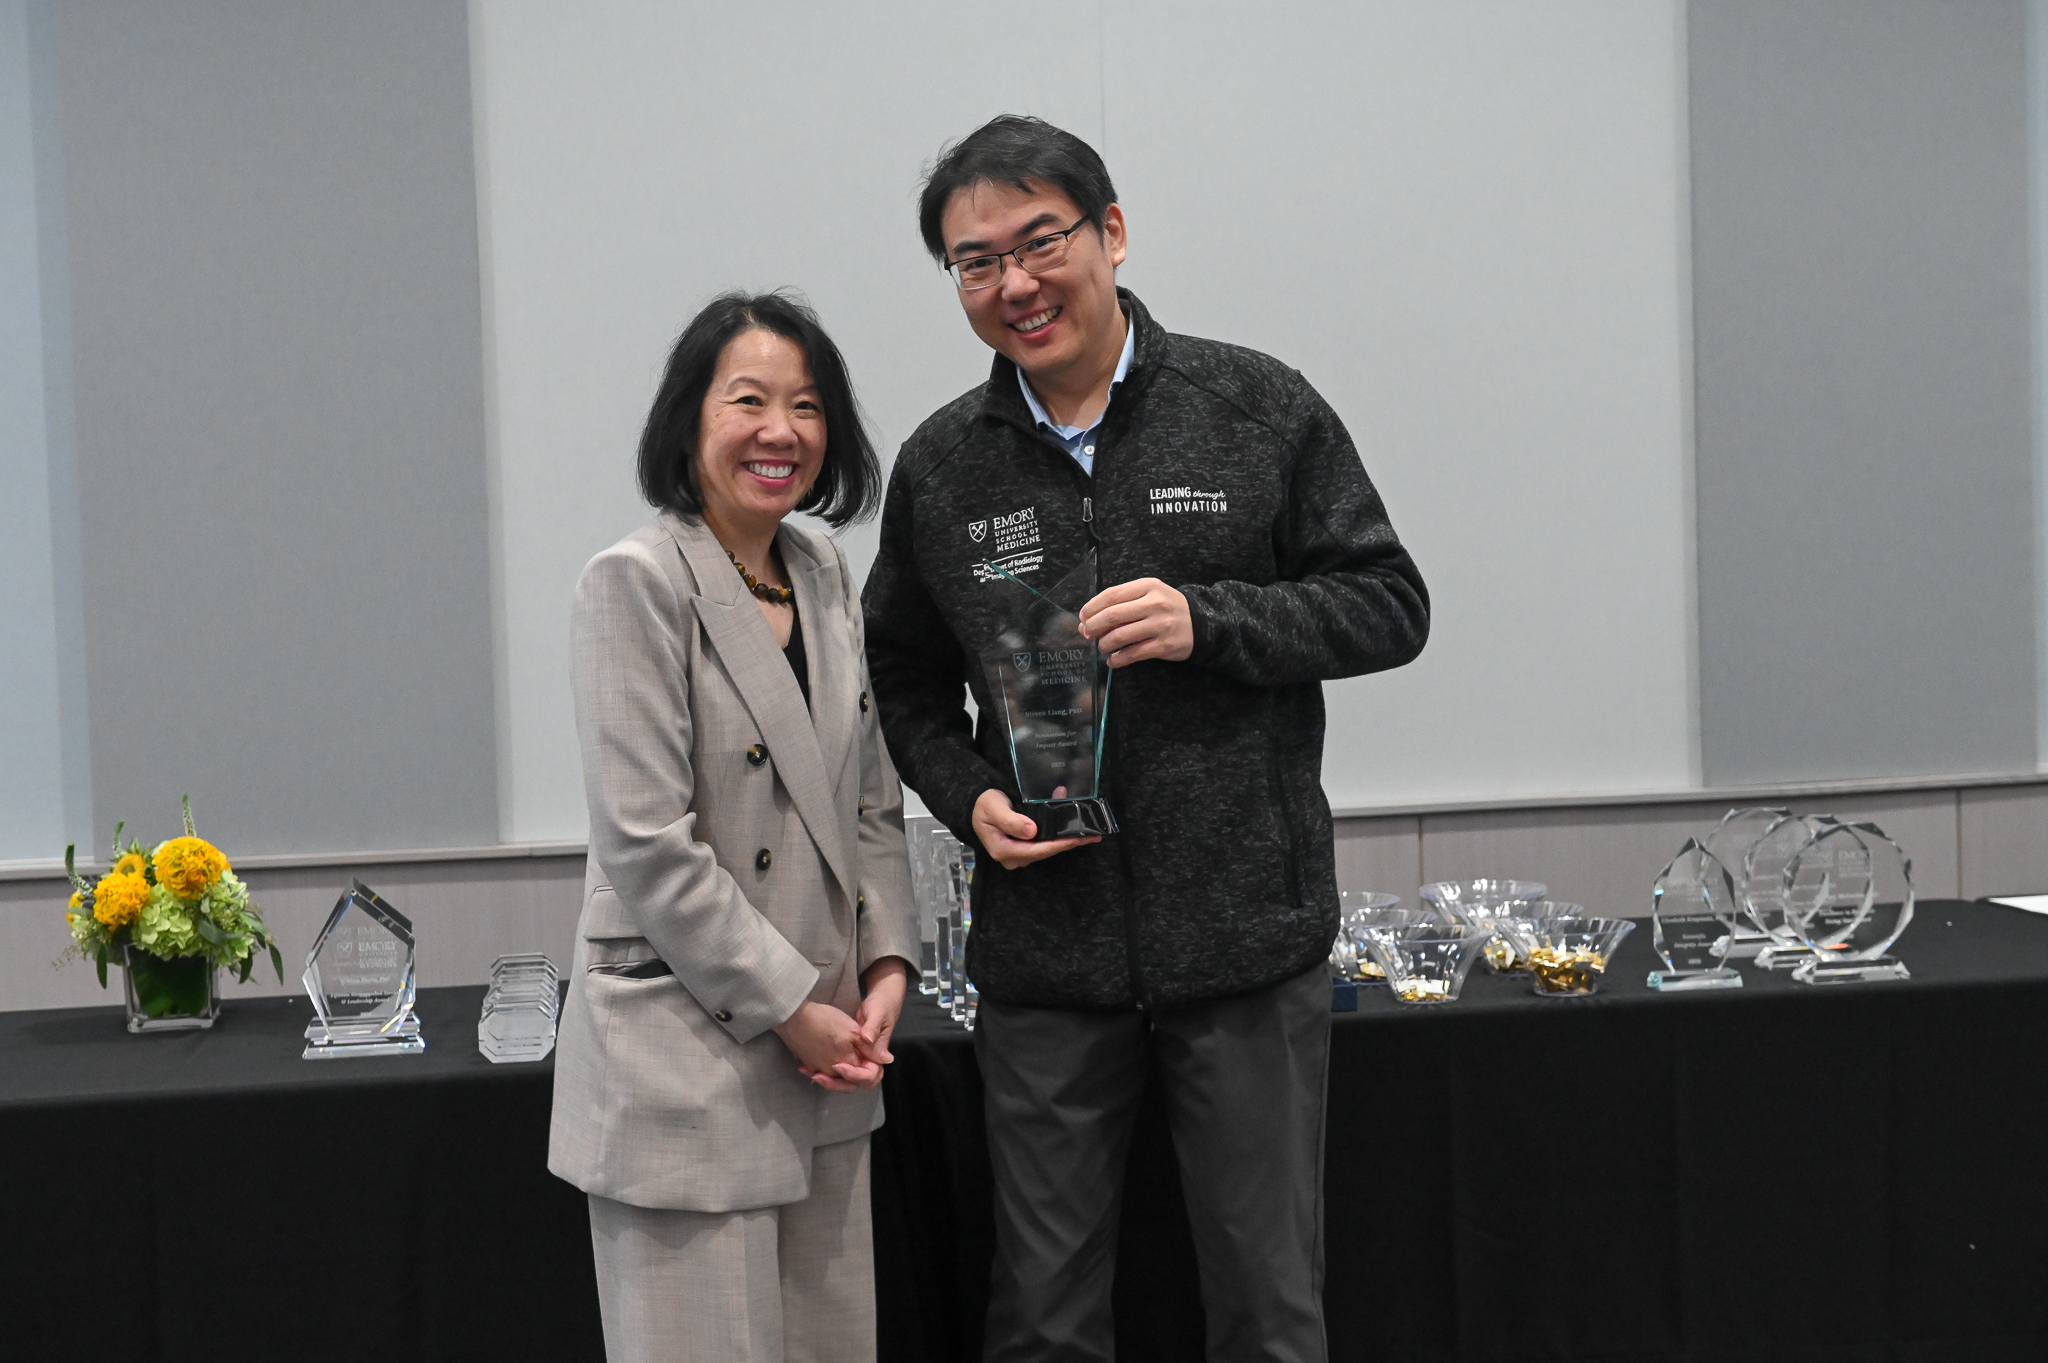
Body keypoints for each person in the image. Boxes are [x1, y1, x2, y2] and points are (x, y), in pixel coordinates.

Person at [862, 116, 1430, 1361]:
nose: (1012, 284)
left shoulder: (1251, 406)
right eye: (972, 262)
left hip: (1243, 942)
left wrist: (1208, 620)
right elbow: (895, 679)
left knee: (1267, 1313)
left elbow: (1391, 604)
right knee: (1044, 1319)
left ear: (1109, 233)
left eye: (1038, 241)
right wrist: (968, 799)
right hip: (1047, 960)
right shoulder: (943, 467)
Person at [550, 290, 919, 1363]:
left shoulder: (822, 571)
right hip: (690, 1048)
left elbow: (870, 799)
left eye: (805, 406)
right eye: (747, 399)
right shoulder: (634, 580)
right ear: (688, 419)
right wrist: (792, 1003)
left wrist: (887, 957)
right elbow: (644, 842)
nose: (779, 431)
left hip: (828, 1049)